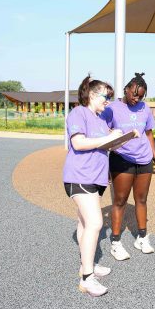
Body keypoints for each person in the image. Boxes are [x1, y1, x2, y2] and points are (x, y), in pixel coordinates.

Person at [63, 76, 122, 297]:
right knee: (96, 223)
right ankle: (87, 278)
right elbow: (78, 142)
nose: (108, 101)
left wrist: (116, 139)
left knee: (84, 222)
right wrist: (107, 139)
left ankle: (85, 265)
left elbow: (100, 145)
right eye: (106, 96)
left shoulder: (99, 119)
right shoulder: (79, 113)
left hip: (94, 177)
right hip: (80, 175)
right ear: (91, 94)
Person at [103, 73, 155, 260]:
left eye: (141, 96)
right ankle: (116, 242)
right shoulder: (112, 108)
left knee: (142, 199)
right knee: (120, 200)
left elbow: (150, 133)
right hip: (122, 158)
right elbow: (103, 132)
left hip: (144, 159)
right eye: (134, 94)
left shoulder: (145, 108)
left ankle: (142, 237)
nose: (137, 98)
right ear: (126, 89)